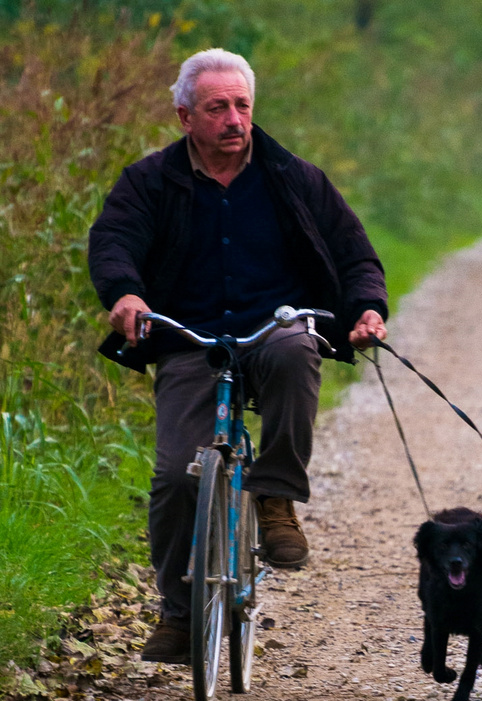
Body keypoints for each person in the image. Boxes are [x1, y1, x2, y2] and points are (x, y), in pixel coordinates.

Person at [89, 48, 388, 664]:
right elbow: (113, 240)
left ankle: (275, 495)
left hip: (270, 329)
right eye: (217, 107)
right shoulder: (148, 181)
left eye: (242, 105)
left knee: (295, 348)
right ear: (184, 117)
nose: (233, 119)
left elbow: (355, 253)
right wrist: (125, 293)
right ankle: (177, 613)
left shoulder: (293, 178)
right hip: (187, 340)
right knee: (175, 478)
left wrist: (366, 308)